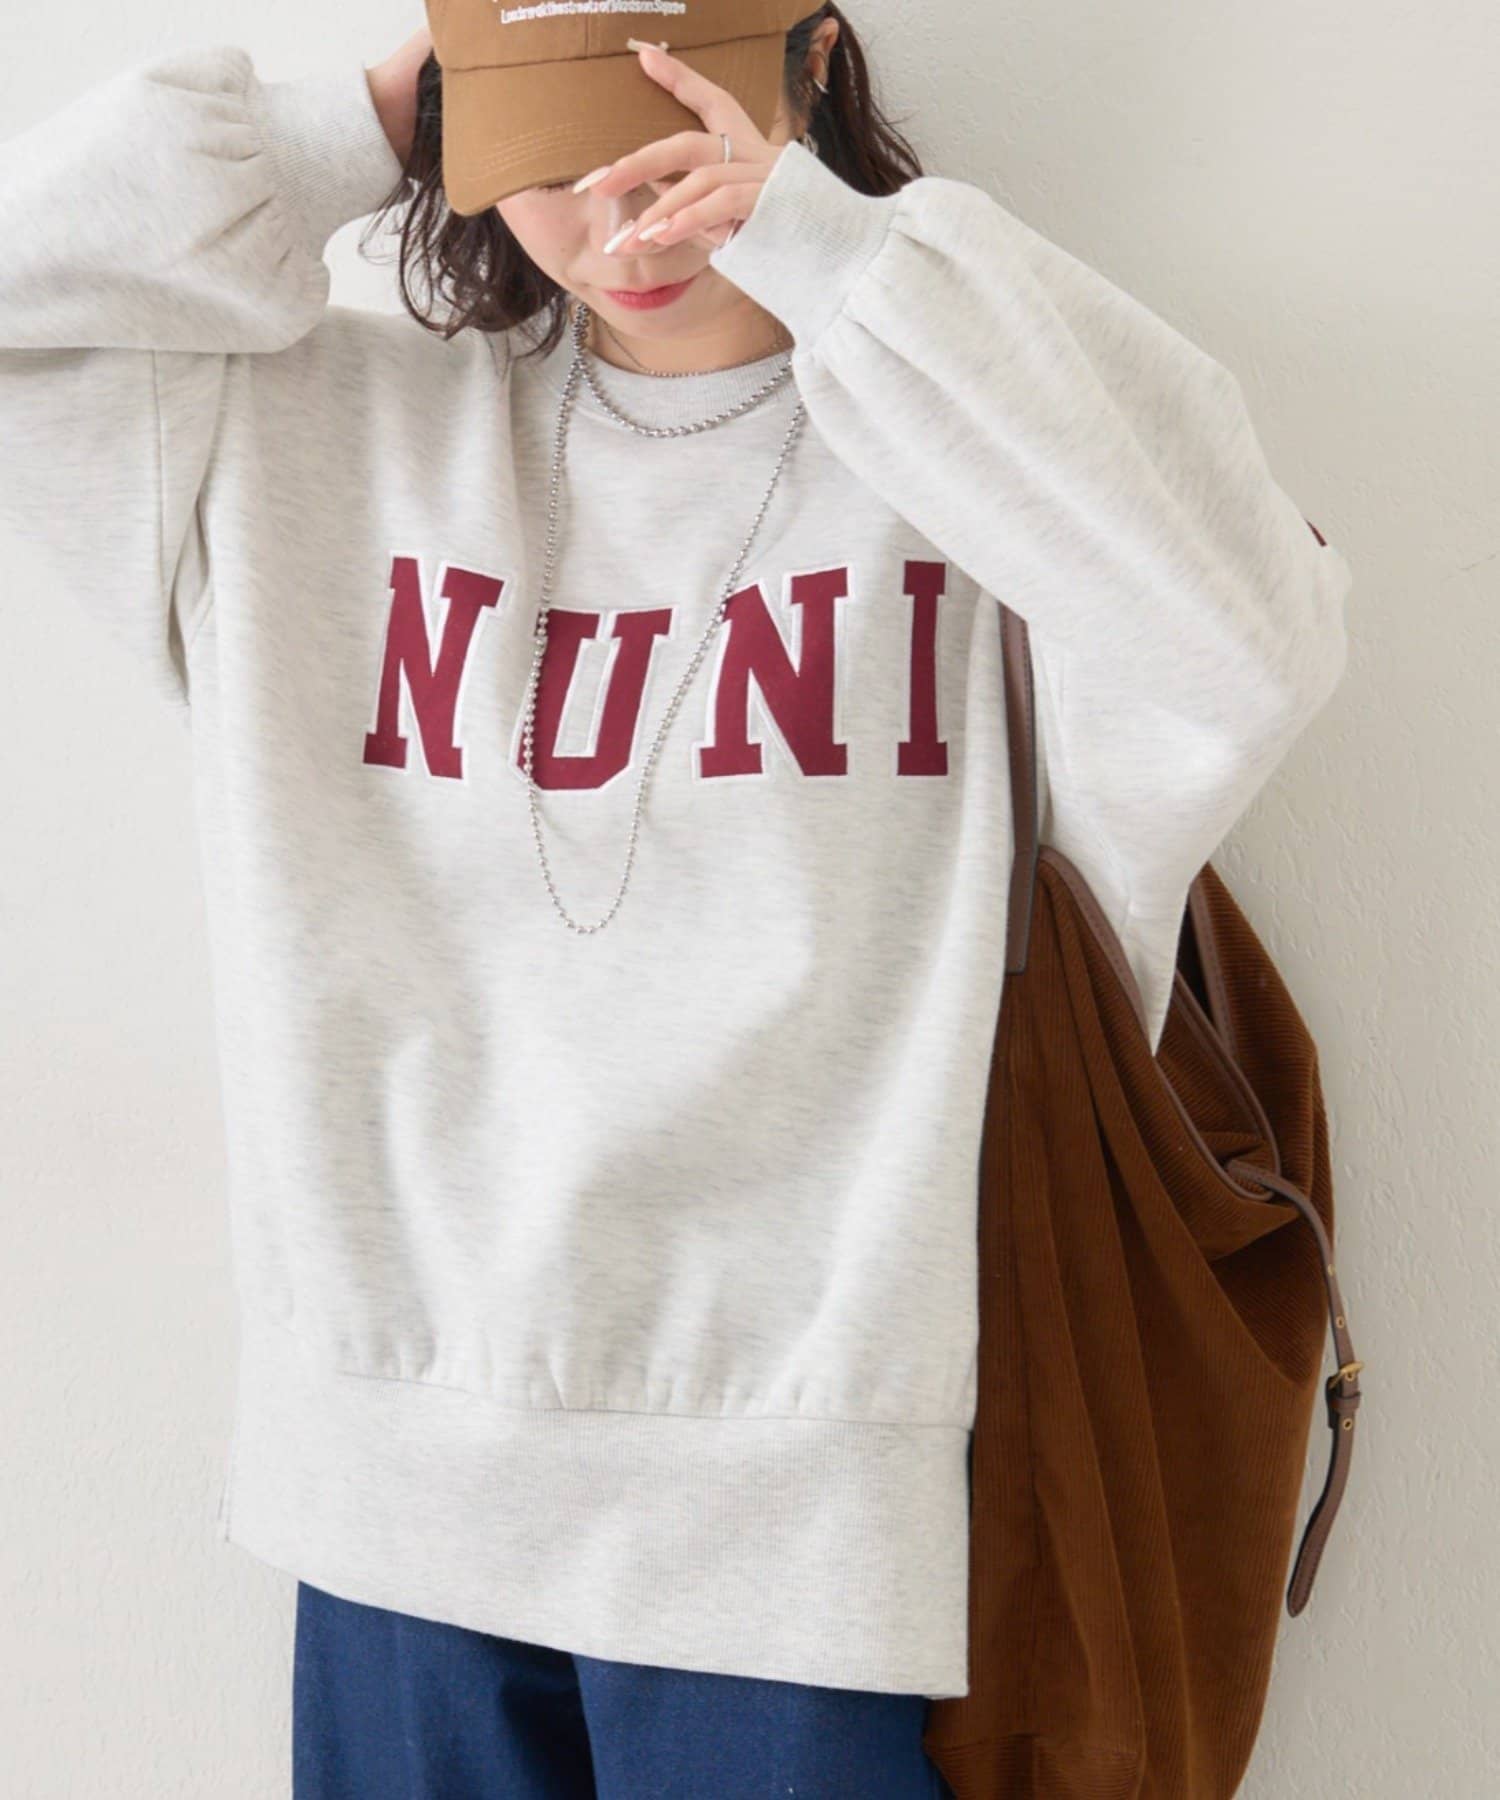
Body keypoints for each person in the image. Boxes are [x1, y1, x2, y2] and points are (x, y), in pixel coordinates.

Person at [0, 2, 1352, 1795]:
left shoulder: (965, 446)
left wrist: (832, 252)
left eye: (661, 140)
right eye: (547, 157)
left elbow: (1252, 638)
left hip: (814, 1533)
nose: (618, 219)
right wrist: (357, 128)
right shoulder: (313, 432)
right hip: (399, 1504)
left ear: (809, 62)